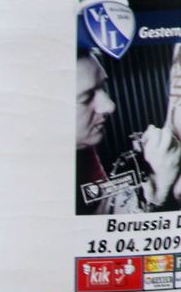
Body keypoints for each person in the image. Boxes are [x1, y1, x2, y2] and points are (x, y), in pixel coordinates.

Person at [76, 49, 181, 214]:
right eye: (86, 98)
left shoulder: (81, 147)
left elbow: (96, 204)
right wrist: (156, 191)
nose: (109, 106)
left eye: (103, 87)